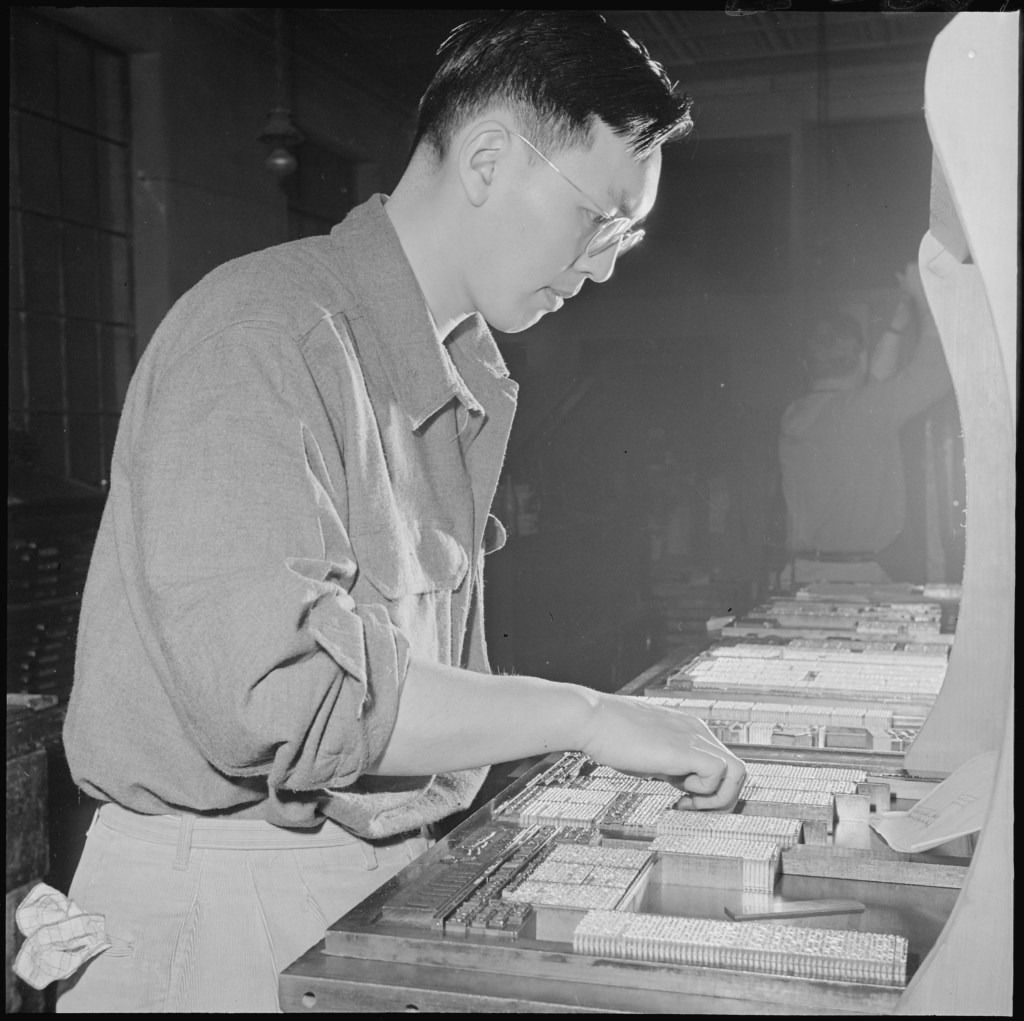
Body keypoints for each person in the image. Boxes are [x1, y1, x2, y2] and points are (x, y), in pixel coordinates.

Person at [50, 10, 746, 1013]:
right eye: (601, 220)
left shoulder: (450, 364)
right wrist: (586, 717)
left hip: (355, 867)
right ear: (489, 159)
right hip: (226, 901)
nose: (603, 264)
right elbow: (291, 707)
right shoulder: (266, 332)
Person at [778, 262, 953, 587]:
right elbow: (935, 371)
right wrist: (925, 300)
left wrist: (898, 325)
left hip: (803, 576)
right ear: (860, 358)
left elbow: (873, 388)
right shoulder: (860, 413)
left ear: (807, 365)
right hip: (857, 582)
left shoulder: (796, 415)